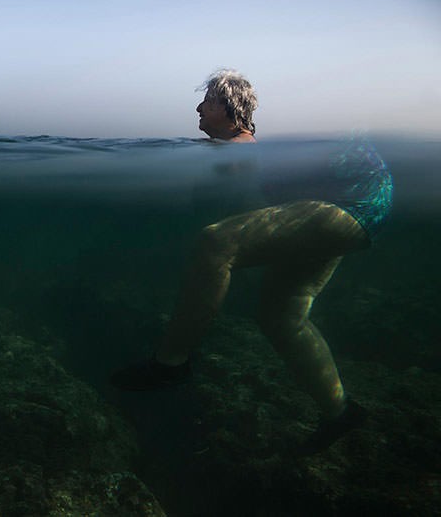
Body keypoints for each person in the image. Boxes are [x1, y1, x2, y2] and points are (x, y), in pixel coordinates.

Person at [111, 69, 393, 452]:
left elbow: (239, 225)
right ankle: (339, 412)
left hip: (350, 205)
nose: (197, 107)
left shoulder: (244, 146)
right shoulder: (250, 147)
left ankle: (170, 364)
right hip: (356, 209)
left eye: (207, 102)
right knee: (281, 316)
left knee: (216, 242)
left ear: (229, 109)